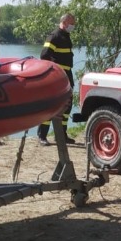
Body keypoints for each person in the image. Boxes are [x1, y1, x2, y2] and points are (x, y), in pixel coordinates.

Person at [36, 13, 77, 146]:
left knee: (67, 106)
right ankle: (42, 135)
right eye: (72, 23)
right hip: (57, 76)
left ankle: (62, 135)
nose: (73, 26)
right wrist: (55, 71)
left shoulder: (66, 36)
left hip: (67, 75)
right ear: (64, 22)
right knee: (51, 106)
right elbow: (44, 55)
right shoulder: (54, 36)